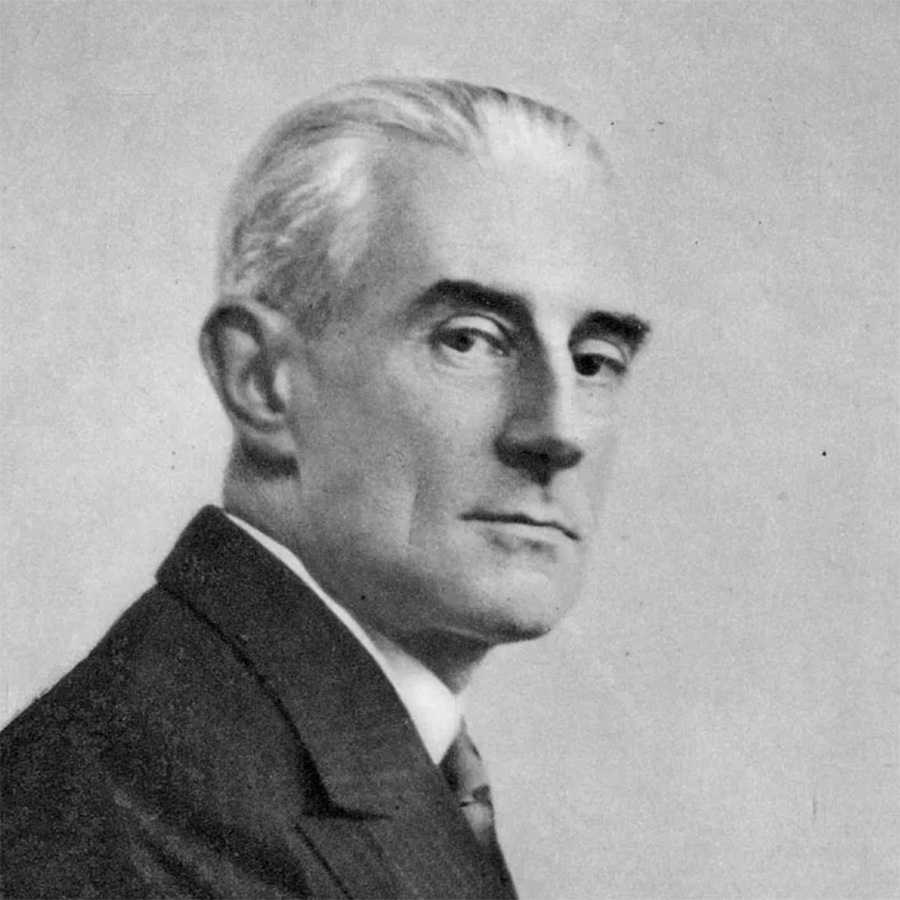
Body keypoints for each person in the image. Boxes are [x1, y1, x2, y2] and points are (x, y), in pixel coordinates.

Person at [1, 78, 650, 899]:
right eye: (469, 341)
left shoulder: (271, 754)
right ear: (262, 381)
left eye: (594, 360)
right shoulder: (146, 814)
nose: (558, 430)